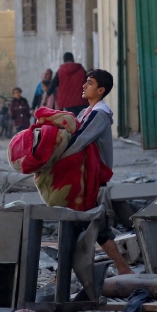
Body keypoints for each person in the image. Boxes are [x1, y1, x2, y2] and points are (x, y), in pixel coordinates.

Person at [62, 69, 131, 276]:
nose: (84, 85)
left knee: (83, 226)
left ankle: (121, 268)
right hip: (83, 178)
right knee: (91, 226)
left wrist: (54, 155)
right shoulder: (86, 112)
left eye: (89, 83)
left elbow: (79, 140)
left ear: (100, 90)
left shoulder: (99, 115)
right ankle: (121, 268)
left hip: (92, 180)